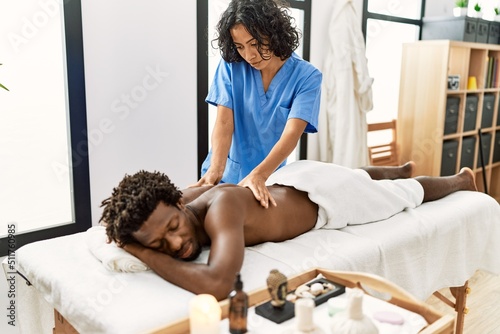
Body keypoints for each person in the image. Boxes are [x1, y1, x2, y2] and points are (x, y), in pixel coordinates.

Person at [99, 160, 478, 300]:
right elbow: (121, 218)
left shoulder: (221, 209)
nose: (177, 242)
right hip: (298, 177)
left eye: (174, 228)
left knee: (402, 194)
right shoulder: (168, 203)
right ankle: (387, 170)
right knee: (355, 175)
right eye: (158, 243)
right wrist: (131, 238)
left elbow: (217, 284)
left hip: (328, 200)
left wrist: (146, 253)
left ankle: (459, 180)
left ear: (181, 207)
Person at [193, 0, 322, 209]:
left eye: (255, 43)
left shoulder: (307, 77)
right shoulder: (231, 65)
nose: (249, 55)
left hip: (266, 178)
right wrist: (214, 172)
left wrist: (259, 175)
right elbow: (225, 123)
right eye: (240, 46)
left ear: (275, 33)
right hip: (222, 173)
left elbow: (291, 134)